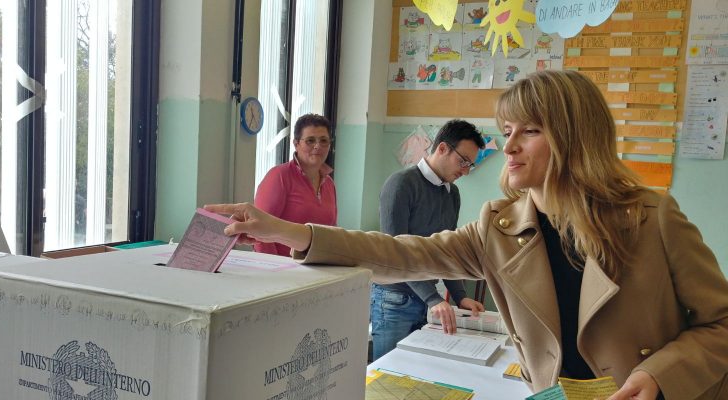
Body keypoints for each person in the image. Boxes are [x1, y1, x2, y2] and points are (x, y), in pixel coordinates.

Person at [207, 70, 728, 400]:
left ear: (575, 136)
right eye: (508, 132)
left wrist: (658, 375)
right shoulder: (500, 226)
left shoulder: (651, 218)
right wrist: (288, 232)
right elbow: (400, 253)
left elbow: (720, 323)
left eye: (530, 130)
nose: (509, 148)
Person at [371, 119, 486, 361]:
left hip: (425, 299)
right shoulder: (401, 184)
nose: (466, 171)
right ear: (442, 148)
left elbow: (447, 250)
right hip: (395, 299)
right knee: (387, 373)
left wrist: (460, 296)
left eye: (470, 165)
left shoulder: (452, 194)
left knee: (417, 371)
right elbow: (396, 252)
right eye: (463, 161)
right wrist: (433, 298)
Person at [253, 113, 336, 256]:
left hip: (319, 266)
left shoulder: (329, 184)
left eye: (323, 140)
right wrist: (274, 267)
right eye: (310, 141)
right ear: (296, 144)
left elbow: (332, 232)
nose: (317, 146)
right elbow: (259, 230)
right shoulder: (279, 176)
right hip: (283, 267)